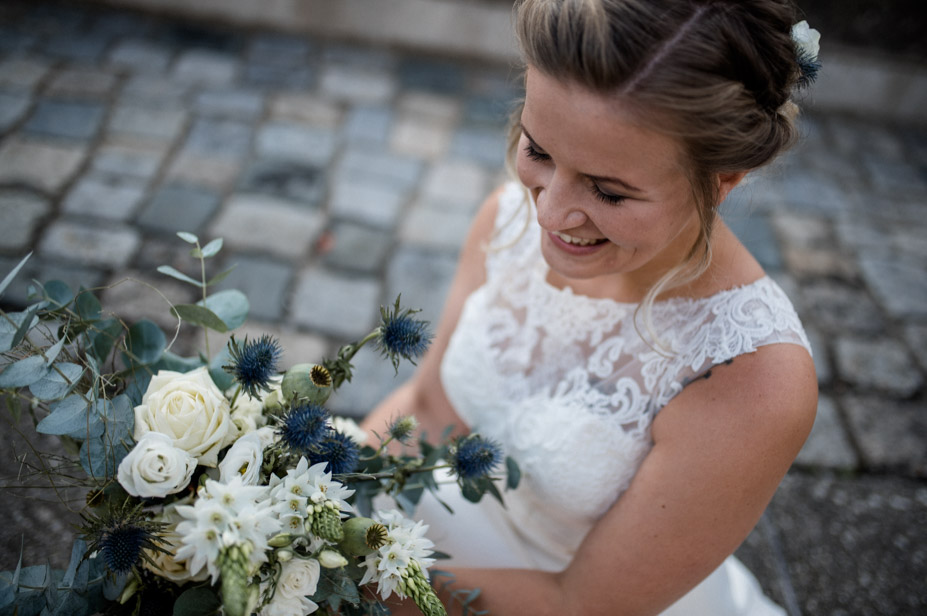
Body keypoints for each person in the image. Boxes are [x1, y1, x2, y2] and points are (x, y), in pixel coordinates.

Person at [362, 0, 819, 614]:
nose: (548, 215)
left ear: (723, 179)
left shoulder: (755, 379)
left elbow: (578, 607)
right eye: (538, 150)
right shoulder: (507, 218)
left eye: (609, 191)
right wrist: (323, 499)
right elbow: (424, 408)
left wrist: (363, 568)